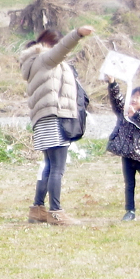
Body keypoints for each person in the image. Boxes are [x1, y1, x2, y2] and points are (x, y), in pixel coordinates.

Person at [18, 25, 92, 225]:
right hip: (55, 116)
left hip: (42, 119)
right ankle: (56, 212)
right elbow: (62, 48)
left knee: (49, 166)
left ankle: (37, 209)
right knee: (57, 168)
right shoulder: (45, 59)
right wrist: (77, 33)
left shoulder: (35, 63)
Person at [105, 81, 140, 221]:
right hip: (127, 156)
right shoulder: (125, 113)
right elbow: (117, 100)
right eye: (133, 96)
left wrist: (136, 115)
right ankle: (130, 211)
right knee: (129, 185)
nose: (134, 99)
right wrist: (112, 84)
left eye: (138, 97)